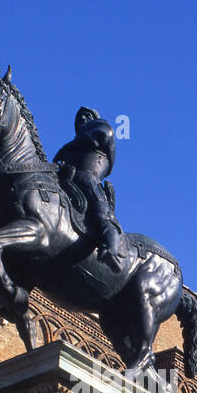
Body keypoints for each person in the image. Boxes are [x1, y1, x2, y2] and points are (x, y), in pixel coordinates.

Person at [54, 107, 128, 271]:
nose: (82, 119)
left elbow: (99, 136)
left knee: (100, 211)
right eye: (79, 118)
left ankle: (111, 248)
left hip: (89, 178)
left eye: (86, 116)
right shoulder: (76, 143)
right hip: (68, 176)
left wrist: (70, 146)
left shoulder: (102, 128)